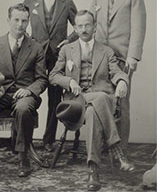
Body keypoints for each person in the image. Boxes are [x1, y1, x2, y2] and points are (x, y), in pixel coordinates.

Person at [49, 10, 135, 191]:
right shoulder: (67, 49)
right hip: (75, 102)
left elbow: (116, 71)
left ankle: (92, 170)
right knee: (102, 97)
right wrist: (69, 80)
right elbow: (53, 75)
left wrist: (121, 81)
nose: (84, 29)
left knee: (93, 110)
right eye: (79, 26)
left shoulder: (106, 50)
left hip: (94, 104)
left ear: (94, 27)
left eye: (88, 25)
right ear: (75, 28)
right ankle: (117, 151)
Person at [0, 3, 48, 177]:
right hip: (0, 95)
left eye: (24, 21)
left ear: (28, 22)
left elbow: (42, 79)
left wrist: (29, 90)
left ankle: (22, 155)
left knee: (22, 108)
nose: (20, 24)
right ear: (8, 20)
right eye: (16, 20)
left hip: (24, 95)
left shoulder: (36, 48)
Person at [89, 0, 146, 153]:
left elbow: (138, 28)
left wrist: (133, 58)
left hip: (123, 58)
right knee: (103, 98)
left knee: (121, 102)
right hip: (100, 57)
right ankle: (103, 144)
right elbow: (89, 22)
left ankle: (121, 149)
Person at [24, 0, 77, 152]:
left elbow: (79, 26)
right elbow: (20, 22)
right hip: (35, 55)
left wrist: (67, 41)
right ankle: (23, 139)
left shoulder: (67, 2)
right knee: (29, 94)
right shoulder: (31, 0)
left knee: (55, 99)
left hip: (57, 56)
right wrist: (29, 40)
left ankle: (48, 140)